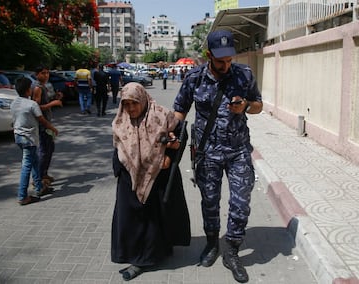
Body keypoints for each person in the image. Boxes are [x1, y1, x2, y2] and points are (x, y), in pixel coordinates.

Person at [172, 29, 263, 283]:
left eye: (229, 59)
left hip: (238, 151)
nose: (226, 65)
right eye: (220, 60)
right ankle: (212, 243)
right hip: (206, 153)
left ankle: (231, 250)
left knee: (241, 201)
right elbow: (179, 109)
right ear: (208, 55)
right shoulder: (194, 78)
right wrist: (169, 132)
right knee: (209, 201)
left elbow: (258, 105)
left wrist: (244, 106)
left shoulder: (243, 74)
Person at [111, 82, 191, 281]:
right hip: (129, 176)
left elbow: (181, 135)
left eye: (134, 103)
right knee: (133, 218)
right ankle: (141, 255)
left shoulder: (162, 115)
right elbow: (117, 146)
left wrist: (170, 156)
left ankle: (147, 258)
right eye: (126, 104)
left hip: (158, 176)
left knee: (155, 217)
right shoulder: (121, 120)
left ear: (143, 100)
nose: (130, 109)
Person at [11, 77, 58, 205]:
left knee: (35, 162)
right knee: (27, 166)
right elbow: (42, 120)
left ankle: (39, 187)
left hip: (19, 137)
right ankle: (22, 196)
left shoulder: (14, 103)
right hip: (29, 139)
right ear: (28, 90)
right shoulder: (32, 104)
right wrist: (53, 129)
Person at [32, 65, 63, 192]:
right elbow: (36, 107)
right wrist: (53, 103)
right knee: (44, 151)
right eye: (43, 73)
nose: (46, 76)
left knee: (50, 148)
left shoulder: (44, 86)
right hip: (42, 123)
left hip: (46, 121)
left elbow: (46, 101)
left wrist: (56, 98)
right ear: (37, 74)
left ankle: (44, 173)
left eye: (47, 73)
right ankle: (38, 179)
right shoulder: (37, 88)